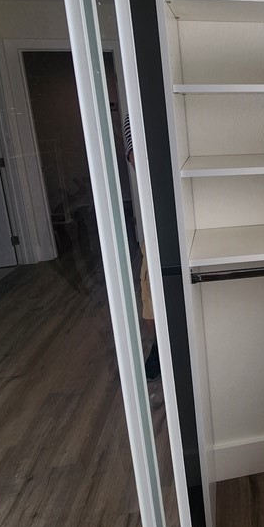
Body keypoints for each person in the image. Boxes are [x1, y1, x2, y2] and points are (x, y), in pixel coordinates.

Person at [123, 114, 161, 380]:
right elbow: (141, 166)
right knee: (149, 299)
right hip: (154, 224)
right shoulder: (133, 117)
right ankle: (160, 348)